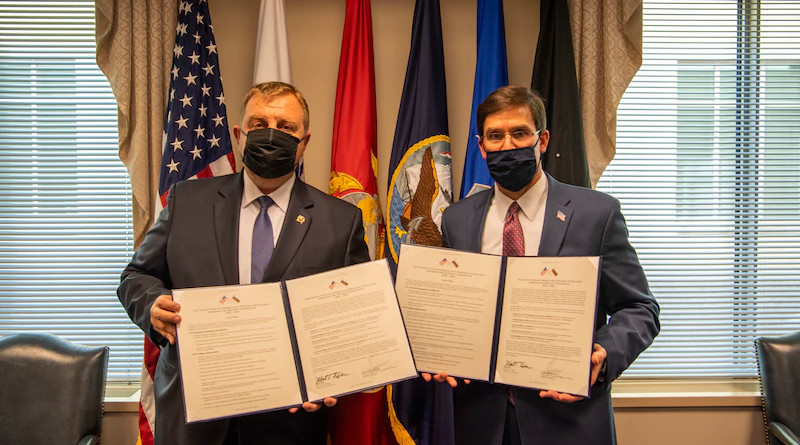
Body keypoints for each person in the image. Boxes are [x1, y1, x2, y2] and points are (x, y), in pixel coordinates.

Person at [117, 81, 370, 445]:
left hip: (290, 421)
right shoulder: (187, 202)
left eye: (286, 128)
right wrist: (152, 305)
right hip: (193, 413)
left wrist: (338, 373)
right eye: (258, 123)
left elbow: (354, 316)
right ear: (239, 134)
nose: (271, 135)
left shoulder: (340, 221)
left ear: (305, 142)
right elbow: (136, 276)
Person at [433, 86, 660, 445]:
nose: (507, 145)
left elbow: (641, 308)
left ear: (542, 140)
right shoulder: (457, 220)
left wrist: (604, 352)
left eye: (520, 133)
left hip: (569, 419)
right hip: (482, 420)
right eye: (495, 136)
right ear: (481, 145)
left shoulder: (596, 214)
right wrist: (440, 347)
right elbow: (454, 309)